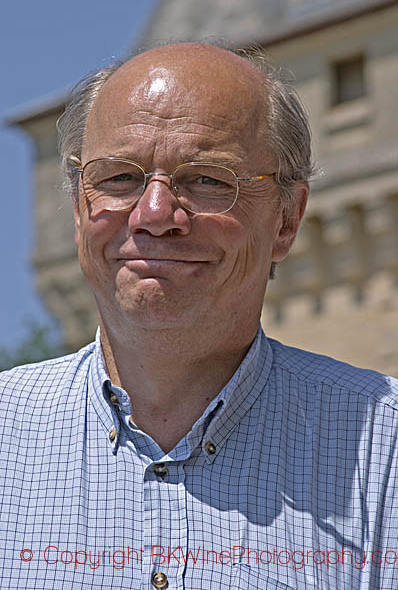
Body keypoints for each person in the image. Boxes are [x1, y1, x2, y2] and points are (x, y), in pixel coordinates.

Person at [0, 42, 397, 590]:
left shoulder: (386, 451)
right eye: (118, 178)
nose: (156, 214)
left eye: (209, 179)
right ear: (77, 209)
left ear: (287, 219)